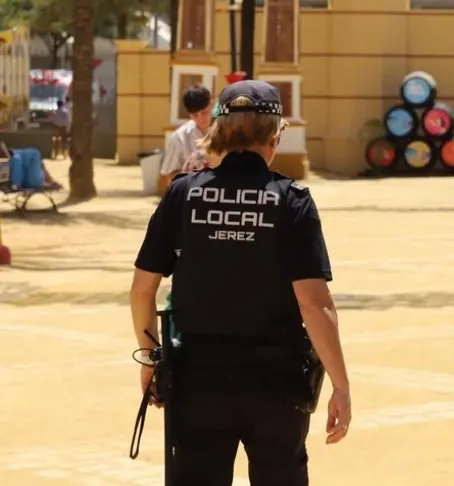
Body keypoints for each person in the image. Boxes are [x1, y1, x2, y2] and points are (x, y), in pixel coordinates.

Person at [130, 80, 352, 486]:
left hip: (198, 382)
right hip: (277, 384)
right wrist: (341, 384)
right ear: (275, 134)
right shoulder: (291, 200)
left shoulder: (183, 194)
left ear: (219, 132)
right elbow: (314, 304)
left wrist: (150, 361)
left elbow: (142, 289)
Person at [160, 85, 214, 180]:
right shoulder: (179, 137)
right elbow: (170, 173)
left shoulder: (227, 131)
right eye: (195, 115)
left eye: (204, 112)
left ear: (212, 103)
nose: (200, 118)